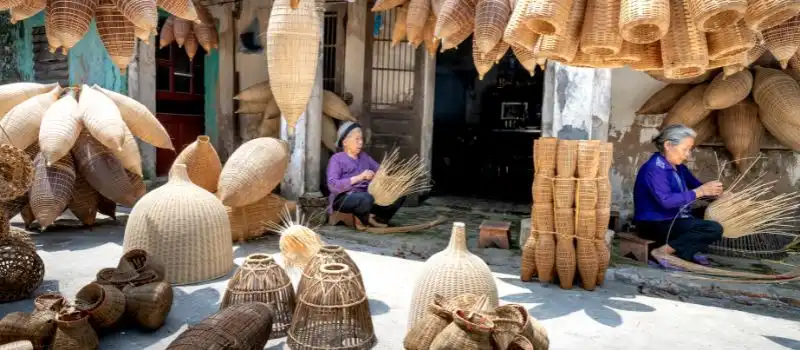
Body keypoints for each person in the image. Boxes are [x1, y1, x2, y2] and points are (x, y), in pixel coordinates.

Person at [633, 124, 725, 270]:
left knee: (714, 214)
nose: (688, 154)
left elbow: (696, 186)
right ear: (668, 145)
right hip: (654, 223)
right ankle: (661, 252)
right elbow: (667, 201)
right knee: (712, 229)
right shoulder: (655, 168)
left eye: (690, 149)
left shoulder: (679, 167)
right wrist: (701, 191)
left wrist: (716, 194)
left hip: (674, 217)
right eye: (685, 149)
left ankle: (682, 253)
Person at [326, 122, 405, 229]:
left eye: (362, 139)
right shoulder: (337, 159)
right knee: (366, 198)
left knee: (399, 193)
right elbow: (332, 185)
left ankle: (377, 218)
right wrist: (360, 177)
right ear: (345, 142)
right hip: (344, 198)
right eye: (357, 139)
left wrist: (386, 178)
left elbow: (380, 170)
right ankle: (363, 219)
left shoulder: (364, 157)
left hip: (368, 197)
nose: (361, 142)